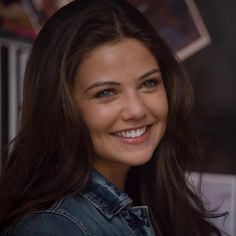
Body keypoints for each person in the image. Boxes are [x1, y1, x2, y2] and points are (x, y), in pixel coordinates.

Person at [0, 0, 224, 235]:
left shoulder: (153, 200)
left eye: (149, 83)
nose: (136, 110)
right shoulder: (52, 228)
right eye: (106, 92)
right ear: (59, 106)